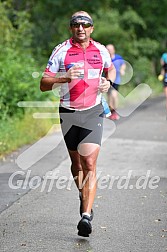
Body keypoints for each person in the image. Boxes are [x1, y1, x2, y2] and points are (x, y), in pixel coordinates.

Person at [40, 11, 116, 237]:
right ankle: (84, 196)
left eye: (85, 24)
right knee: (77, 164)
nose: (80, 28)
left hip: (93, 111)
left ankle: (86, 215)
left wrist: (107, 81)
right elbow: (44, 83)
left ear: (92, 28)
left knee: (89, 162)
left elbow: (109, 68)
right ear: (71, 28)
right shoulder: (61, 51)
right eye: (76, 24)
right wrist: (65, 77)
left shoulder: (101, 50)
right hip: (69, 112)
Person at [106, 44, 126, 120]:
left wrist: (122, 69)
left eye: (111, 49)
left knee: (114, 95)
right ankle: (112, 112)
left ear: (114, 50)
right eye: (108, 49)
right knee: (109, 97)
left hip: (117, 80)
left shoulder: (118, 57)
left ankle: (115, 112)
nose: (109, 50)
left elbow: (123, 64)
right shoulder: (106, 58)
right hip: (108, 80)